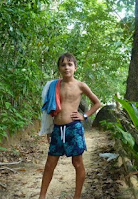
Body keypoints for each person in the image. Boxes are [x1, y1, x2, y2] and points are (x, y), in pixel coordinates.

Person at [39, 53, 101, 199]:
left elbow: (97, 103)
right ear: (59, 68)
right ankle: (42, 196)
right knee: (49, 164)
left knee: (77, 163)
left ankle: (77, 196)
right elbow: (50, 108)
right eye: (63, 65)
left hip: (74, 129)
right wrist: (49, 129)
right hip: (57, 129)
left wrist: (84, 116)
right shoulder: (54, 85)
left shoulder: (80, 86)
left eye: (69, 64)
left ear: (75, 67)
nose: (66, 67)